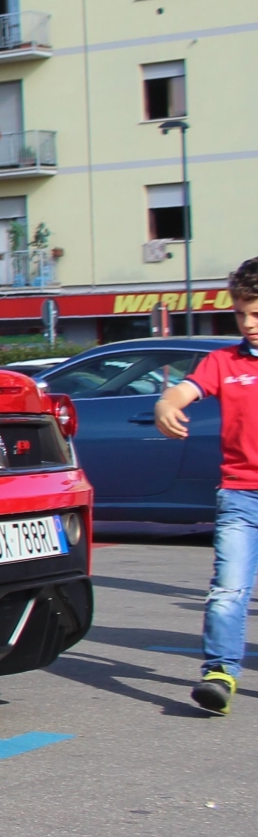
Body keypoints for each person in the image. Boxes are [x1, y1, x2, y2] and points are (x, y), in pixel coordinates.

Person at [152, 254, 258, 715]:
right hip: (240, 495)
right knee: (228, 589)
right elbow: (184, 391)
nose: (248, 323)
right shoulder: (224, 361)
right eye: (240, 313)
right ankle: (220, 672)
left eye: (256, 312)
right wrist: (165, 403)